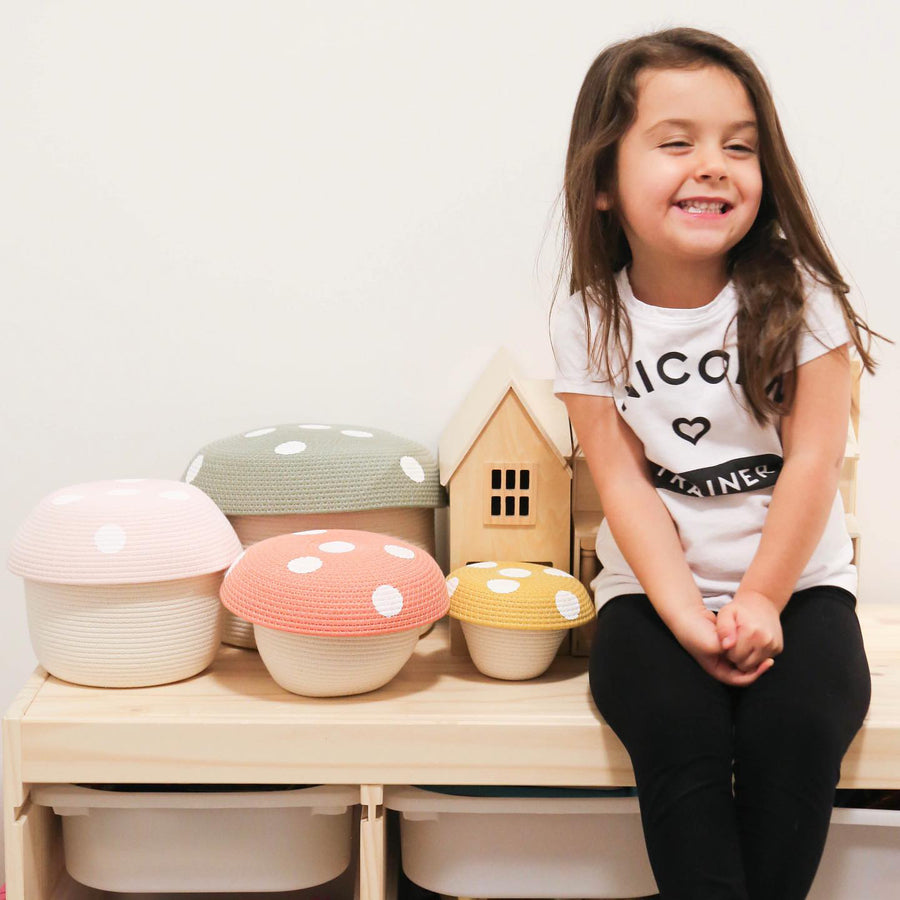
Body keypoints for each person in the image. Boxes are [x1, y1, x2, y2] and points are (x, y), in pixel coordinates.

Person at [550, 27, 883, 900]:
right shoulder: (589, 320)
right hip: (649, 595)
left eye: (740, 146)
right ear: (602, 186)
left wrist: (765, 597)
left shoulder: (805, 300)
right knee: (671, 728)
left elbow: (813, 459)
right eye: (676, 142)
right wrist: (688, 614)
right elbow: (621, 480)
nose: (714, 165)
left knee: (802, 730)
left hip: (801, 587)